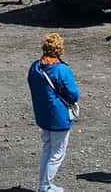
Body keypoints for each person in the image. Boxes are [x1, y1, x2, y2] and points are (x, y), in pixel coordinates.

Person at [28, 32, 79, 192]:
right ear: (59, 50)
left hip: (42, 116)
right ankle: (45, 186)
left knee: (47, 149)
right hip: (59, 117)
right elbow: (73, 94)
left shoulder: (35, 67)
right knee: (57, 154)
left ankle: (44, 184)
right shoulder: (62, 70)